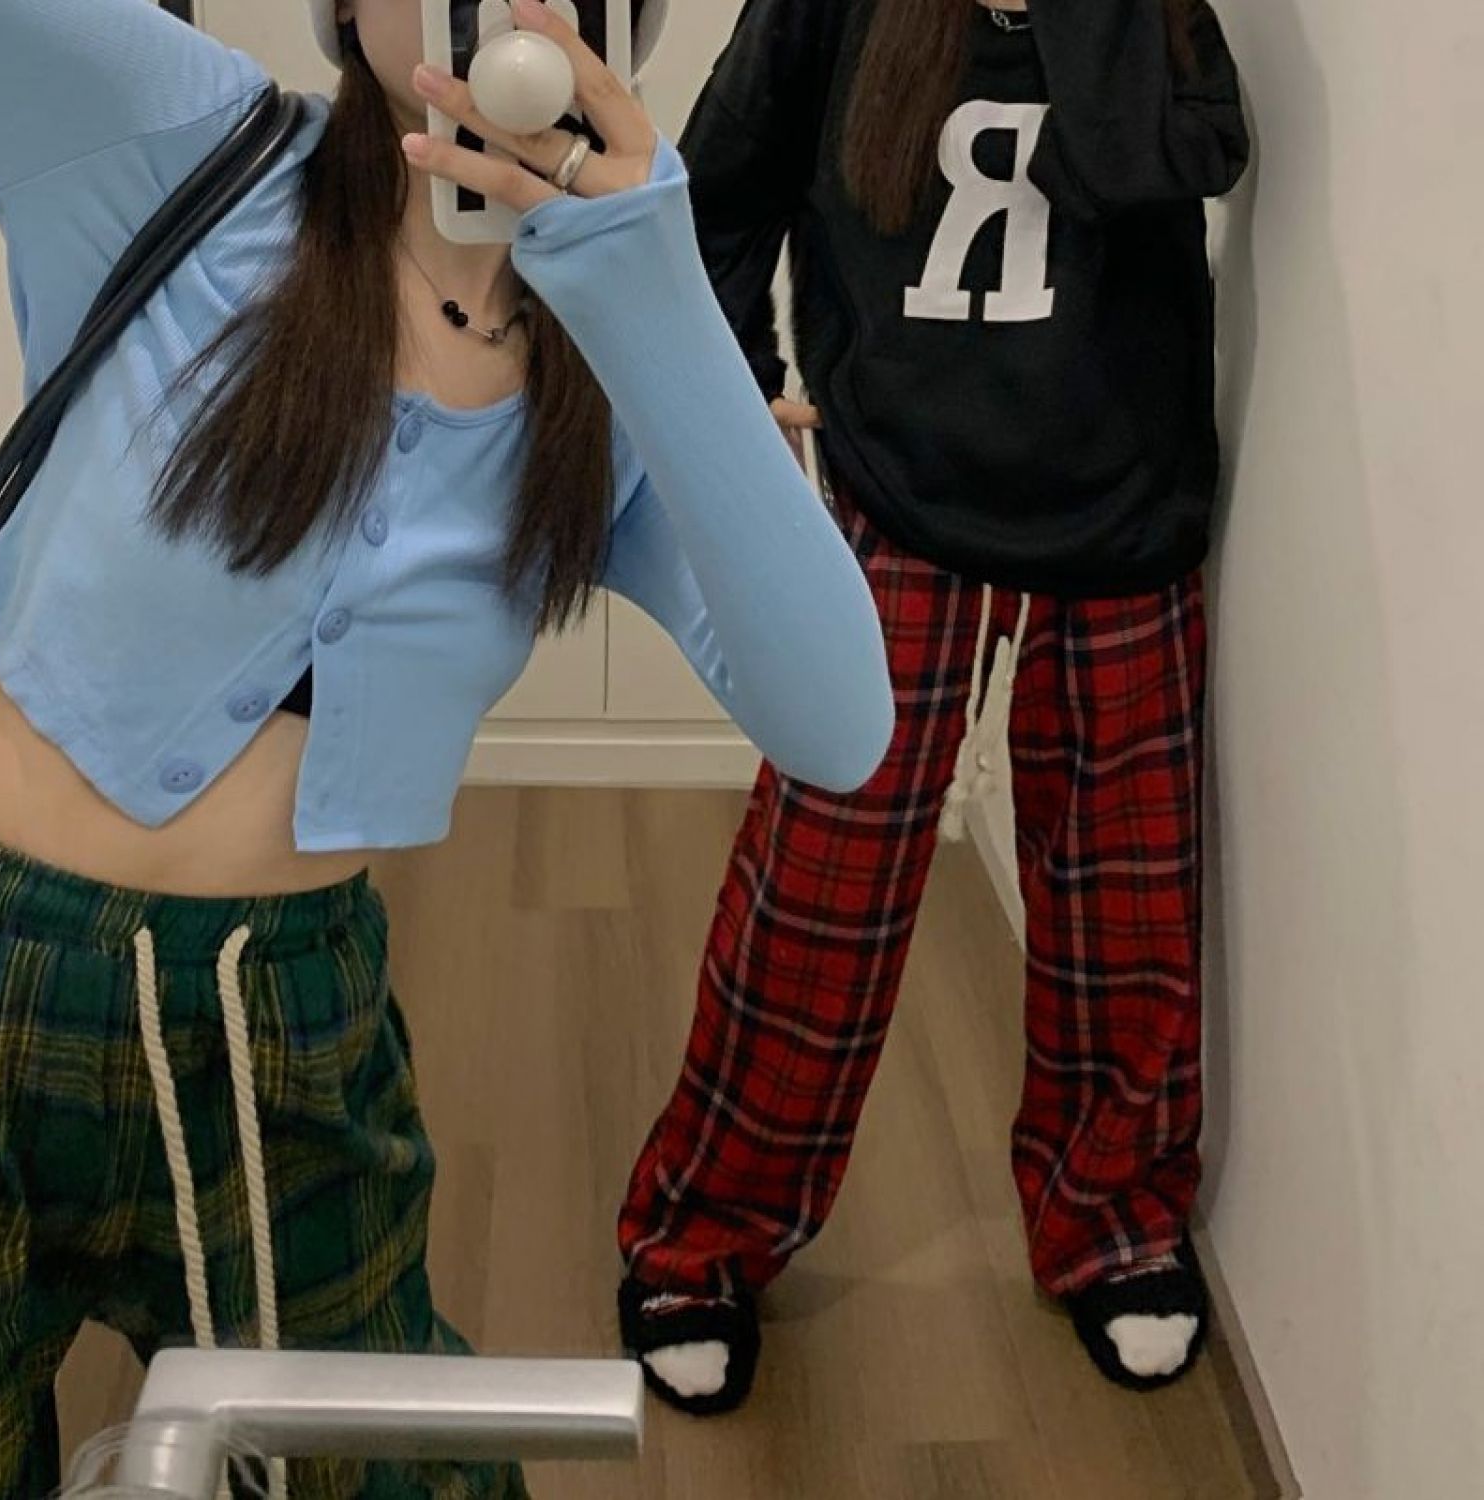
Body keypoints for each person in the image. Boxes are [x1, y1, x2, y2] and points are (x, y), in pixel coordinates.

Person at [0, 0, 895, 1494]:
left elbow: (840, 726)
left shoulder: (613, 370)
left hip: (288, 1017)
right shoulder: (180, 139)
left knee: (371, 1468)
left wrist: (658, 289)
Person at [618, 0, 1250, 1413]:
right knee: (819, 892)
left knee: (1127, 900)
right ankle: (701, 1237)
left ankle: (1115, 1220)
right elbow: (718, 194)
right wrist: (736, 403)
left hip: (1121, 504)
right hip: (897, 492)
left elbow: (1172, 161)